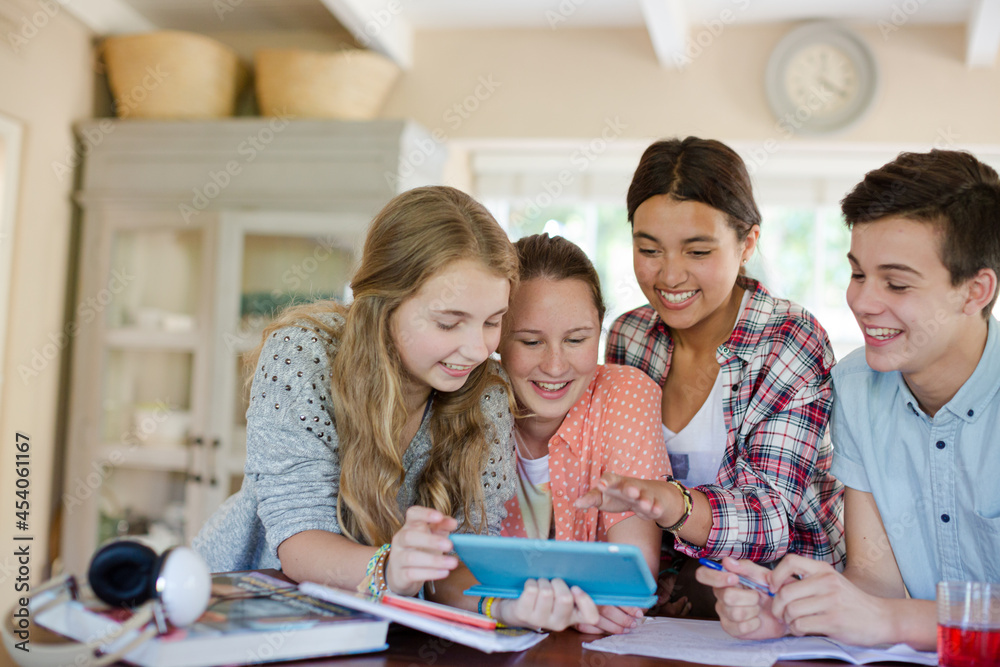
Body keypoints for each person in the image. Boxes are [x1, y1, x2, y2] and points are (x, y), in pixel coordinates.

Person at [194, 186, 599, 631]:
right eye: (449, 322)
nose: (477, 349)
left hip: (377, 630)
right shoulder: (304, 355)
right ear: (384, 302)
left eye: (492, 322)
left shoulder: (487, 395)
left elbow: (459, 563)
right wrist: (389, 568)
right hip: (245, 607)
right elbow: (299, 543)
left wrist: (503, 608)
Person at [698, 149, 1000, 651]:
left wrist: (893, 622)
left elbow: (884, 613)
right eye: (858, 273)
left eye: (896, 283)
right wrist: (794, 610)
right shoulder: (856, 387)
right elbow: (873, 582)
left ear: (976, 291)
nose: (861, 301)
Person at [576, 137, 845, 612]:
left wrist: (671, 503)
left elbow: (770, 520)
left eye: (697, 252)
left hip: (785, 606)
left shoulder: (789, 339)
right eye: (649, 249)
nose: (670, 276)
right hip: (667, 610)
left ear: (747, 244)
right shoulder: (630, 336)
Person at [497, 233, 673, 634]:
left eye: (577, 340)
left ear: (599, 330)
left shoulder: (626, 394)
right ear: (495, 336)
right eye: (530, 341)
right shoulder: (464, 405)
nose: (556, 366)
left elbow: (632, 571)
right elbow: (446, 574)